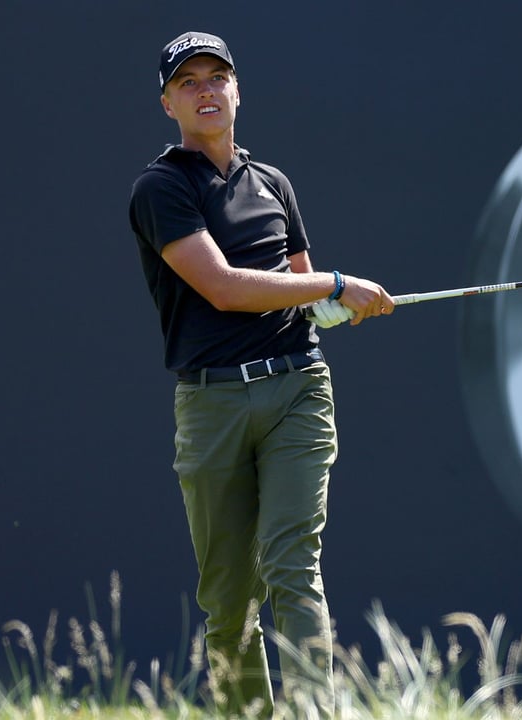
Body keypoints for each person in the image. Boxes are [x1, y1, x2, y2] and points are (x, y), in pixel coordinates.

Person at [128, 30, 392, 716]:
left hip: (297, 389)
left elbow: (299, 288)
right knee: (228, 597)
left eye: (218, 77)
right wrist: (339, 282)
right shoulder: (161, 187)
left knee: (292, 568)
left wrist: (335, 305)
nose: (206, 90)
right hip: (212, 402)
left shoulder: (273, 183)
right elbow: (222, 287)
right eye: (189, 82)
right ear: (167, 103)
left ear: (238, 91)